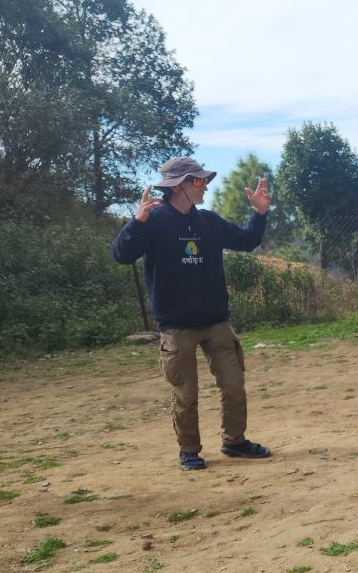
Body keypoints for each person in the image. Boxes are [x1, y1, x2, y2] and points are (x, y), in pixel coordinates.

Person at [110, 157, 274, 470]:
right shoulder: (153, 221)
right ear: (177, 185)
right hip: (177, 327)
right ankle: (189, 451)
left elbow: (247, 240)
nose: (205, 186)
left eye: (203, 180)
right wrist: (136, 222)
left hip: (216, 322)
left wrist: (259, 213)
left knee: (234, 384)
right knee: (186, 393)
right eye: (197, 181)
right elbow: (121, 255)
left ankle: (235, 442)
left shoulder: (209, 222)